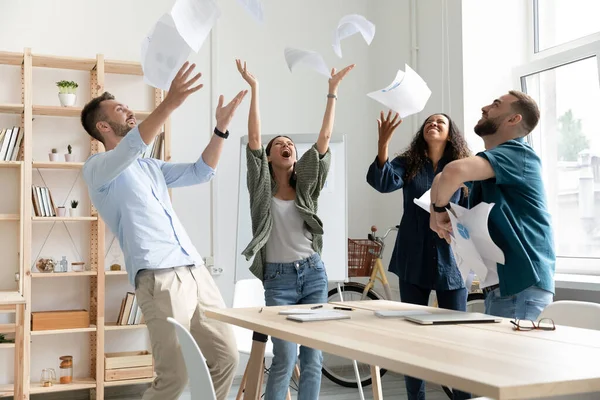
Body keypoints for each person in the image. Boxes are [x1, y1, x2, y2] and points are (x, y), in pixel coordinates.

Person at [80, 62, 247, 400]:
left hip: (195, 271)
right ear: (103, 126)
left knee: (227, 355)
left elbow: (201, 172)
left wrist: (222, 129)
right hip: (159, 278)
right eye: (119, 108)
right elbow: (131, 148)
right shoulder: (97, 169)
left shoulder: (149, 165)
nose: (128, 110)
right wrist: (170, 102)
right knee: (174, 377)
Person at [237, 58, 354, 400]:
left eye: (290, 144)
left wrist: (331, 92)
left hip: (313, 273)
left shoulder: (307, 186)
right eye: (279, 145)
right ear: (269, 157)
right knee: (285, 356)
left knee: (313, 356)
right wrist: (255, 88)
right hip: (279, 280)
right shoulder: (260, 185)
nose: (286, 146)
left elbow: (325, 139)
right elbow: (255, 138)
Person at [366, 111, 472, 400]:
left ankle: (462, 397)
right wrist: (383, 144)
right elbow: (383, 182)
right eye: (428, 122)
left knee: (456, 337)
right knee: (413, 337)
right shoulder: (408, 162)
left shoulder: (462, 166)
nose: (433, 124)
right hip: (413, 254)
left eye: (440, 122)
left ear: (450, 134)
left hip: (452, 257)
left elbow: (473, 202)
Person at [430, 90, 555, 320]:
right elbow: (441, 179)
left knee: (511, 356)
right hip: (508, 289)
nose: (485, 108)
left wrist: (438, 212)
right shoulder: (493, 163)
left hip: (521, 287)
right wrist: (434, 213)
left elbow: (453, 172)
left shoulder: (518, 154)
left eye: (496, 105)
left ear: (513, 119)